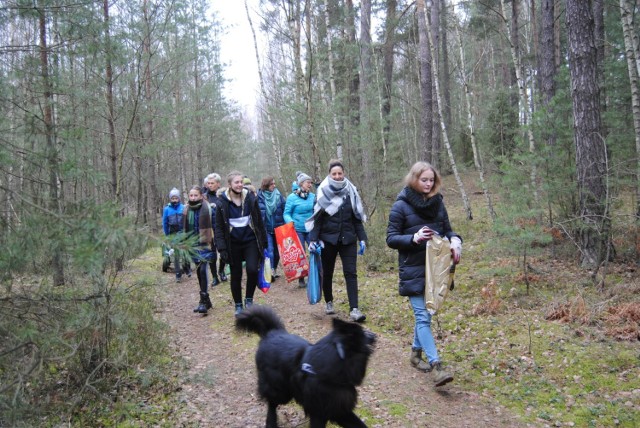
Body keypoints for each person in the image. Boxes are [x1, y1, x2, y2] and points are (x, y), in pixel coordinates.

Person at [385, 161, 462, 387]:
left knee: (425, 316)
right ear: (414, 179)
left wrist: (456, 241)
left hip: (436, 269)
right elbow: (391, 238)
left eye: (431, 180)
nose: (428, 184)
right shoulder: (400, 206)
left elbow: (447, 230)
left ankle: (415, 354)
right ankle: (437, 365)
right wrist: (414, 238)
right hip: (413, 269)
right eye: (424, 180)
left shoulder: (438, 204)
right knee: (422, 316)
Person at [306, 160, 368, 322]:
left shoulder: (351, 192)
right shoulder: (322, 192)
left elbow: (356, 219)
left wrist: (362, 238)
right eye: (334, 173)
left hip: (348, 239)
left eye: (340, 173)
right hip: (328, 240)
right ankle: (329, 302)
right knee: (327, 273)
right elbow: (318, 219)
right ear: (329, 174)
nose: (337, 176)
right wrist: (313, 239)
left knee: (351, 273)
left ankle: (354, 309)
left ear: (344, 173)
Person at [214, 171, 268, 317]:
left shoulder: (250, 199)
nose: (239, 185)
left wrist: (264, 241)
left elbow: (258, 221)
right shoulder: (221, 203)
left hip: (250, 240)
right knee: (236, 274)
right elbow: (218, 228)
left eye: (241, 182)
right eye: (236, 182)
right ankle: (238, 304)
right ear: (229, 185)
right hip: (232, 243)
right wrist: (222, 248)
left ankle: (249, 299)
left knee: (252, 270)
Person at [183, 186, 215, 314]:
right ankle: (206, 300)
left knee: (202, 269)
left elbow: (215, 226)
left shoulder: (208, 208)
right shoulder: (186, 210)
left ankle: (203, 301)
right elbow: (184, 228)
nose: (193, 198)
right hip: (192, 244)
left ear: (201, 196)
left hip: (205, 244)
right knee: (198, 271)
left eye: (196, 195)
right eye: (191, 195)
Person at [284, 171, 316, 287]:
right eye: (308, 182)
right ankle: (301, 278)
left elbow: (316, 211)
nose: (310, 184)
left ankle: (315, 275)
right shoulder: (292, 198)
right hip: (297, 229)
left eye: (311, 183)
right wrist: (290, 221)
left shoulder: (313, 197)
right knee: (300, 254)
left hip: (311, 228)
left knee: (315, 251)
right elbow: (286, 213)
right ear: (301, 183)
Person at [257, 176, 286, 279]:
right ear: (266, 185)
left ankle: (273, 268)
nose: (274, 185)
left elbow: (284, 210)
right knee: (270, 251)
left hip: (278, 228)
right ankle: (270, 272)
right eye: (272, 184)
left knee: (277, 253)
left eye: (274, 183)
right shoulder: (259, 197)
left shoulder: (279, 195)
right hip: (266, 229)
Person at [162, 188, 190, 282]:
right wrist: (167, 235)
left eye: (176, 198)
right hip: (173, 233)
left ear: (179, 198)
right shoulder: (167, 209)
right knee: (176, 253)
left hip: (182, 232)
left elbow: (187, 220)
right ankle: (178, 273)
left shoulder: (183, 207)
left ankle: (187, 268)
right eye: (173, 198)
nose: (174, 200)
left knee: (185, 251)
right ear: (170, 199)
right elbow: (165, 223)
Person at [204, 173, 228, 286]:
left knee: (224, 251)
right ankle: (214, 277)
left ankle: (221, 270)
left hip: (221, 229)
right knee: (211, 254)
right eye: (208, 183)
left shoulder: (223, 195)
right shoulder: (204, 197)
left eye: (212, 183)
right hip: (208, 230)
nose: (210, 185)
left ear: (218, 184)